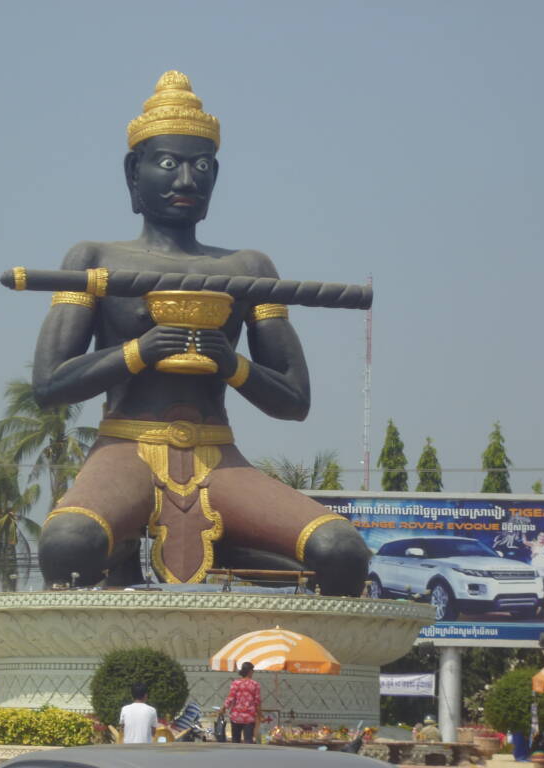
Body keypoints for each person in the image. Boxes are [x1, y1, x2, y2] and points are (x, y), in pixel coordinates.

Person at [31, 70, 369, 596]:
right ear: (134, 172)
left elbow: (294, 401)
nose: (187, 181)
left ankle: (234, 548)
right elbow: (49, 385)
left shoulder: (249, 268)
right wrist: (140, 351)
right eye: (169, 164)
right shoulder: (94, 260)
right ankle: (119, 563)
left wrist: (230, 364)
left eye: (202, 166)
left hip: (218, 458)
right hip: (127, 448)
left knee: (342, 552)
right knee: (68, 545)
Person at [222, 661, 261, 743]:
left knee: (235, 741)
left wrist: (223, 708)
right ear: (249, 671)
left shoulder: (235, 683)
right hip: (249, 718)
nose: (253, 672)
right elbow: (257, 702)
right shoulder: (255, 684)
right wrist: (260, 715)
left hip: (236, 717)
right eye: (252, 670)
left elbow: (230, 698)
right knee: (248, 741)